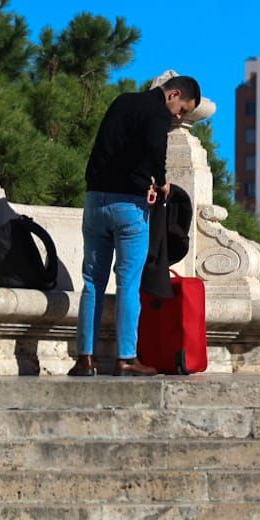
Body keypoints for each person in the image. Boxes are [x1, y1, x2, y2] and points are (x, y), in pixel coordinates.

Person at [69, 77, 201, 377]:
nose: (179, 116)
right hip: (129, 207)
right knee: (128, 283)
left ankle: (84, 358)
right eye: (183, 109)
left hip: (95, 202)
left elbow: (107, 147)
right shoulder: (158, 114)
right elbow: (155, 150)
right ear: (174, 94)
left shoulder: (122, 101)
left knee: (92, 282)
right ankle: (126, 357)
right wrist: (160, 181)